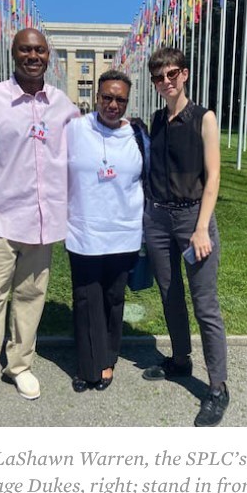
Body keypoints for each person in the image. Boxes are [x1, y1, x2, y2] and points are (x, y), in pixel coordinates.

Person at [0, 28, 80, 423]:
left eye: (39, 50)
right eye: (26, 49)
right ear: (14, 53)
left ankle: (20, 365)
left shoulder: (64, 107)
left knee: (30, 299)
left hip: (44, 224)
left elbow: (80, 158)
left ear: (48, 56)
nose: (33, 55)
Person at [141, 47, 230, 428]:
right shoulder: (157, 119)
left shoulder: (203, 118)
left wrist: (200, 228)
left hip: (194, 219)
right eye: (159, 77)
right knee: (169, 294)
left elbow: (213, 177)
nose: (166, 82)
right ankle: (180, 360)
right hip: (158, 220)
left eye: (172, 74)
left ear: (185, 74)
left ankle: (217, 387)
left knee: (204, 304)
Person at [65, 70, 147, 392]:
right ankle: (88, 368)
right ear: (97, 97)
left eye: (120, 99)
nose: (113, 104)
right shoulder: (74, 129)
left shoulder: (139, 134)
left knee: (114, 300)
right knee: (86, 300)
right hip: (84, 231)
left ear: (128, 101)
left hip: (124, 232)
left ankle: (108, 360)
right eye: (107, 97)